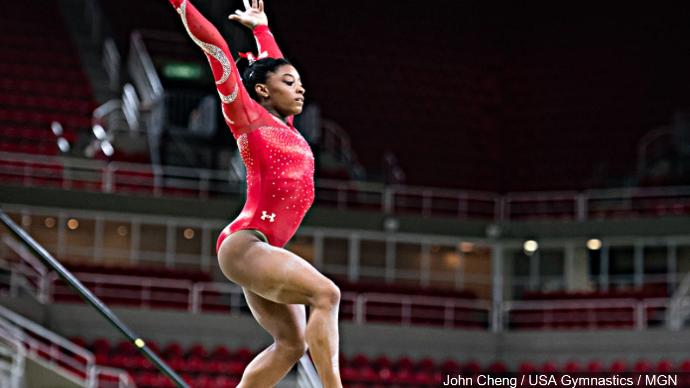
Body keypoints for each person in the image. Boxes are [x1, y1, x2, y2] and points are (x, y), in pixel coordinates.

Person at [167, 0, 342, 387]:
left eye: (299, 82)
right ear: (262, 90)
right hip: (246, 245)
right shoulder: (246, 117)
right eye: (289, 83)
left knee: (291, 343)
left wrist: (262, 30)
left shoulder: (288, 126)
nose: (300, 88)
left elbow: (275, 64)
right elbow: (217, 49)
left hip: (263, 250)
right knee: (326, 294)